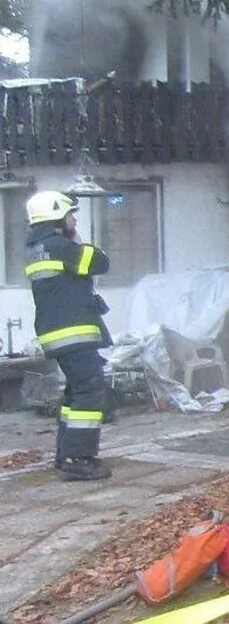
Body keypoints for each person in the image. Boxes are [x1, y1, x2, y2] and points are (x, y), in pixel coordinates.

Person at [24, 190, 114, 481]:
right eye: (70, 214)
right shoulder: (61, 247)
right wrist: (75, 239)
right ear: (56, 217)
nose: (74, 219)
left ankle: (67, 455)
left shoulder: (38, 248)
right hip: (74, 333)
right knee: (89, 391)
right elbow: (101, 262)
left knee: (76, 392)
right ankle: (79, 459)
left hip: (57, 334)